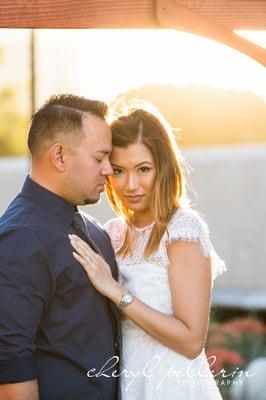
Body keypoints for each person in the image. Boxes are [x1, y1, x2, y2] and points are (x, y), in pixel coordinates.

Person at [69, 105, 227, 399]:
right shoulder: (112, 233)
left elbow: (192, 342)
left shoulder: (182, 232)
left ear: (163, 167)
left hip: (172, 384)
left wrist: (116, 292)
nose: (130, 185)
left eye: (143, 169)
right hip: (126, 380)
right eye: (119, 170)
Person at [0, 94, 120, 400]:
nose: (109, 169)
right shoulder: (20, 238)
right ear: (60, 156)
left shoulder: (94, 230)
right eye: (99, 158)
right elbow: (11, 361)